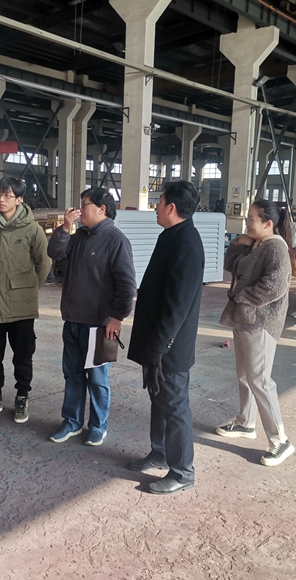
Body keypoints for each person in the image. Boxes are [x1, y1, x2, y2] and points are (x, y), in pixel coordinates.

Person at [128, 181, 204, 495]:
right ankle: (159, 453)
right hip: (156, 342)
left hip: (169, 346)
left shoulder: (186, 244)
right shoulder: (171, 236)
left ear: (171, 207)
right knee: (159, 400)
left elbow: (177, 306)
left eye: (158, 202)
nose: (155, 208)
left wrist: (159, 347)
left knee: (174, 405)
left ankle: (182, 472)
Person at [47, 187, 136, 446]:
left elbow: (127, 285)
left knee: (97, 379)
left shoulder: (115, 240)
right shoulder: (79, 237)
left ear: (102, 209)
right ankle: (72, 422)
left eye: (84, 204)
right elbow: (55, 253)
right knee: (72, 375)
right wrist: (65, 228)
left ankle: (98, 426)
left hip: (99, 325)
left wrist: (117, 317)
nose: (80, 209)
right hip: (73, 321)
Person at [216, 199, 296, 466]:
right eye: (247, 218)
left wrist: (242, 298)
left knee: (261, 381)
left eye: (251, 219)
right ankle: (245, 422)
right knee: (245, 375)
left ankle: (280, 441)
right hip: (245, 319)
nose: (247, 223)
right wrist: (238, 243)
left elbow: (275, 286)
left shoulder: (275, 247)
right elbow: (231, 266)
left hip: (260, 322)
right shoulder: (257, 244)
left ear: (268, 223)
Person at [0, 177, 51, 424]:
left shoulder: (32, 230)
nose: (1, 199)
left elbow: (44, 263)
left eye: (7, 195)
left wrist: (28, 289)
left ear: (19, 200)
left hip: (21, 305)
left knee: (23, 355)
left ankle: (22, 396)